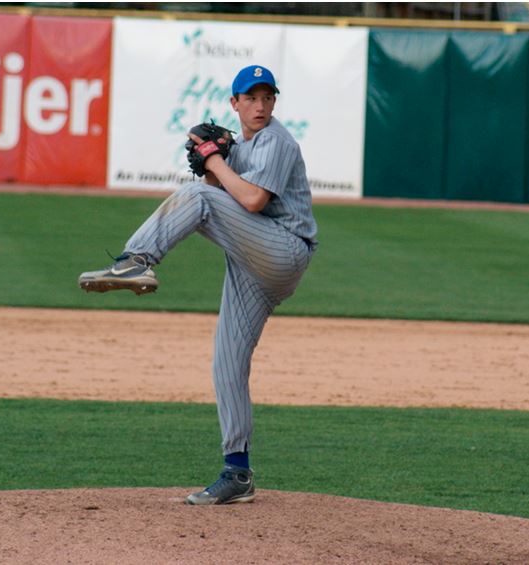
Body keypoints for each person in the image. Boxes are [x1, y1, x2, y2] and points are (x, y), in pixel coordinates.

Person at [78, 64, 318, 505]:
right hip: (253, 259)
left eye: (268, 97)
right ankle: (237, 472)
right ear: (235, 103)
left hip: (284, 251)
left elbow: (250, 200)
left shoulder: (278, 141)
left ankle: (137, 260)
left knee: (196, 198)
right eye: (251, 98)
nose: (261, 106)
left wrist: (212, 164)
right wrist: (211, 166)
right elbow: (222, 190)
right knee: (227, 363)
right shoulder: (241, 146)